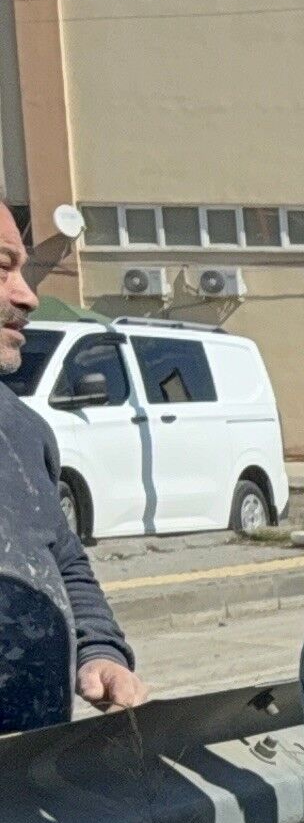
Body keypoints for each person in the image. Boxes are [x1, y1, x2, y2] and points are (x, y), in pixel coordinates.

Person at [0, 205, 149, 734]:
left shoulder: (22, 428)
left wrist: (98, 649)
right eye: (2, 267)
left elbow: (60, 556)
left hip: (31, 765)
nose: (27, 296)